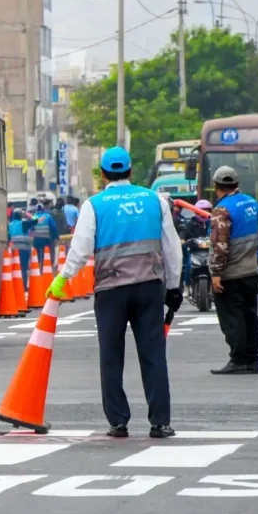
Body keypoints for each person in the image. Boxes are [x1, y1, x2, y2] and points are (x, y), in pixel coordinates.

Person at [47, 147, 183, 438]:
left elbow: (81, 249)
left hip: (110, 291)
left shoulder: (94, 205)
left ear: (103, 174)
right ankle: (160, 422)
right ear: (131, 171)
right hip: (149, 288)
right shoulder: (154, 200)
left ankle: (118, 421)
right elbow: (172, 246)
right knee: (154, 355)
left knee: (111, 356)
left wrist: (63, 279)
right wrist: (173, 286)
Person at [208, 166, 258, 375]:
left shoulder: (222, 210)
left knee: (233, 318)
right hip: (251, 269)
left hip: (231, 273)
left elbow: (221, 244)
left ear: (216, 186)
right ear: (236, 184)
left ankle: (238, 360)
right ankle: (252, 360)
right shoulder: (251, 203)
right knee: (250, 316)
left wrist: (216, 273)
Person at [178, 199, 212, 289]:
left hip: (210, 251)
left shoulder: (212, 222)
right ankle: (187, 285)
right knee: (189, 264)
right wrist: (183, 240)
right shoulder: (191, 223)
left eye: (206, 210)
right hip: (195, 251)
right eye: (201, 210)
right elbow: (185, 235)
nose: (203, 212)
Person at [7, 208, 36, 288]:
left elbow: (8, 237)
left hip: (13, 249)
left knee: (15, 268)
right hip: (23, 249)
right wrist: (28, 214)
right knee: (23, 268)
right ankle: (23, 286)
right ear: (21, 215)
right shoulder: (23, 223)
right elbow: (35, 220)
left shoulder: (10, 224)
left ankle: (15, 285)